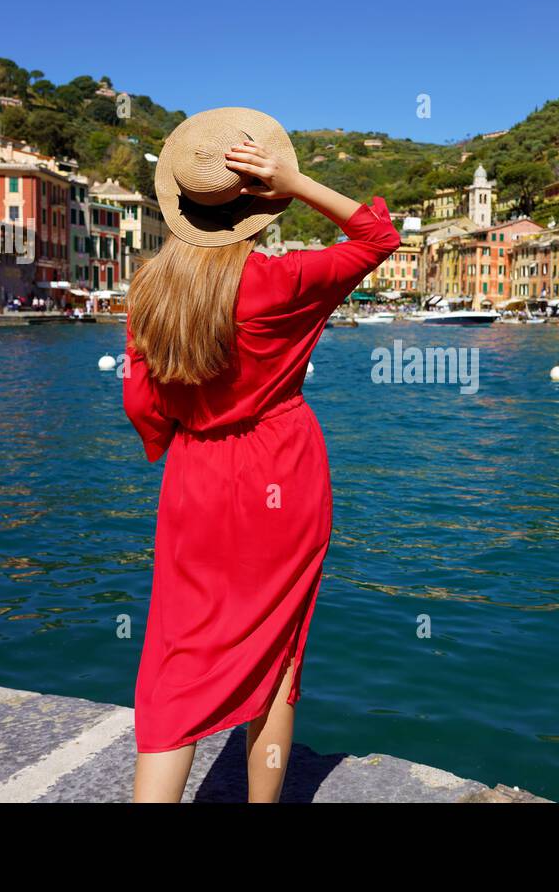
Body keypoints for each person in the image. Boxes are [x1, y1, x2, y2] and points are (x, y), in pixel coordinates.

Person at [121, 107, 400, 802]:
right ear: (259, 203)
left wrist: (172, 436)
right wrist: (297, 182)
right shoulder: (284, 281)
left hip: (195, 479)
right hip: (284, 474)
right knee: (279, 648)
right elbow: (376, 235)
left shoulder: (149, 291)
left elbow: (141, 405)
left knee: (176, 649)